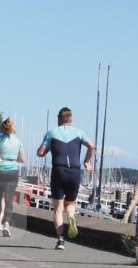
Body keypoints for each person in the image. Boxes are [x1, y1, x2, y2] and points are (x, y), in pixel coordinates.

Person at [37, 107, 96, 250]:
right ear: (71, 119)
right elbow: (92, 146)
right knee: (70, 203)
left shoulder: (51, 132)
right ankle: (71, 217)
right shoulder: (79, 132)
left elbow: (40, 153)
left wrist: (50, 147)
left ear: (59, 119)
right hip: (74, 172)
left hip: (59, 170)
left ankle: (61, 240)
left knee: (58, 209)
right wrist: (87, 162)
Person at [0, 118, 25, 237]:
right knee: (9, 199)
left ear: (1, 128)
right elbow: (22, 159)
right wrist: (13, 158)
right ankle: (7, 224)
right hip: (13, 171)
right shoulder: (18, 141)